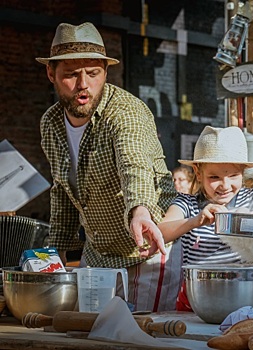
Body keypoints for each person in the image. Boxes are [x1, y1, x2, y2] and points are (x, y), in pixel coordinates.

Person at [37, 22, 181, 312]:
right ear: (51, 73)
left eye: (93, 73)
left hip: (146, 251)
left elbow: (134, 165)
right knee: (91, 334)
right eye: (71, 75)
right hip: (97, 253)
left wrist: (140, 210)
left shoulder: (126, 112)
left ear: (105, 71)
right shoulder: (50, 123)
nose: (83, 85)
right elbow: (63, 192)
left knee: (140, 340)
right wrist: (55, 255)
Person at [158, 126, 253, 310]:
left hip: (245, 293)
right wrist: (195, 221)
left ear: (243, 173)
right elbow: (160, 232)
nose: (225, 185)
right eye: (214, 177)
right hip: (197, 297)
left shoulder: (252, 199)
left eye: (233, 176)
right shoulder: (187, 203)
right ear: (198, 174)